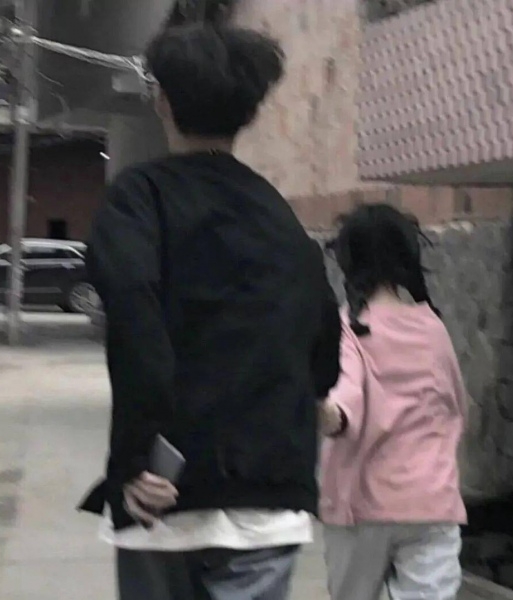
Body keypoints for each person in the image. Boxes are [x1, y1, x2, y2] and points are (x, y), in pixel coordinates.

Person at [79, 23, 341, 600]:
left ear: (163, 101)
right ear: (248, 112)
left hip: (163, 495)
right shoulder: (279, 217)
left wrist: (134, 458)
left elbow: (134, 319)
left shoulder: (139, 197)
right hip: (269, 494)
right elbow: (324, 347)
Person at [318, 204, 467, 600]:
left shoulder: (350, 329)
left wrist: (315, 406)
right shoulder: (433, 329)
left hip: (362, 508)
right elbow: (456, 409)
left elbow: (343, 407)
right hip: (432, 501)